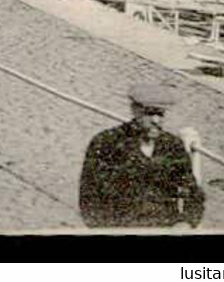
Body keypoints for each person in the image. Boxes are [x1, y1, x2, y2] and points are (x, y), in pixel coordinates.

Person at [78, 82, 205, 228]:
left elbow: (193, 193)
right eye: (149, 113)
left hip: (164, 227)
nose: (156, 120)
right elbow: (89, 197)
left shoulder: (172, 147)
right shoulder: (107, 143)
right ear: (135, 110)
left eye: (160, 114)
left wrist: (187, 222)